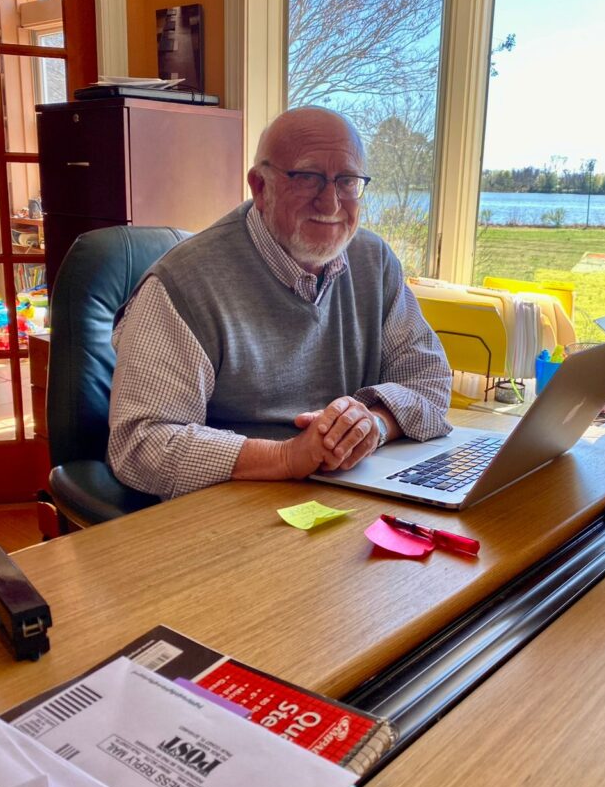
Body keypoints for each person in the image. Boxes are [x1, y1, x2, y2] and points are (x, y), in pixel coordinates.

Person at [108, 106, 452, 499]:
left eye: (347, 181)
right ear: (260, 187)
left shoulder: (374, 262)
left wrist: (372, 425)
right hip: (237, 505)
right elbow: (139, 444)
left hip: (350, 494)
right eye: (307, 178)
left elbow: (429, 380)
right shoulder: (184, 283)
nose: (331, 203)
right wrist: (287, 456)